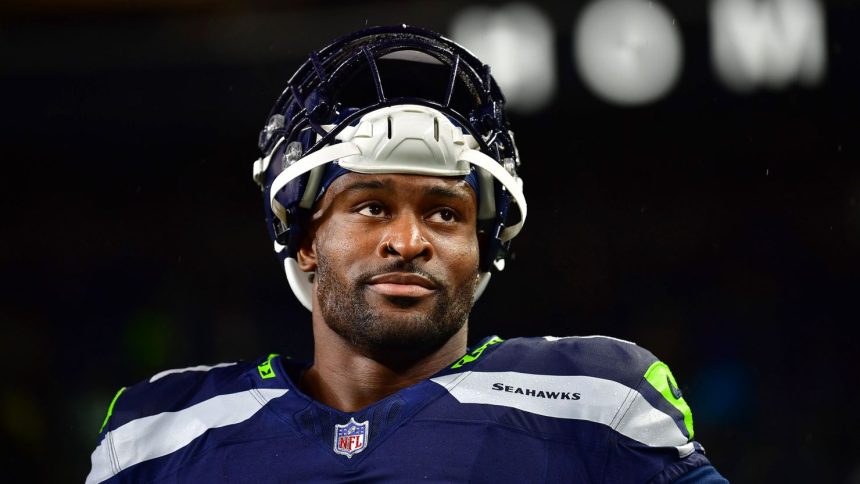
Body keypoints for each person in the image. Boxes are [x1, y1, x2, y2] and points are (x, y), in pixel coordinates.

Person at [86, 25, 727, 483]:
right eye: (371, 206)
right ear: (305, 239)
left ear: (483, 245)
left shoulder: (594, 405)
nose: (409, 241)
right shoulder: (158, 437)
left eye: (445, 212)